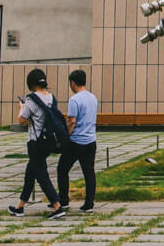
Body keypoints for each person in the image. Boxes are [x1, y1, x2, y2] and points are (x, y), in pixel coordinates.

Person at [8, 68, 63, 217]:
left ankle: (57, 206)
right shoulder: (51, 97)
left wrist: (21, 107)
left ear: (31, 83)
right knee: (30, 172)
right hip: (47, 141)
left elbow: (22, 119)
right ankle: (20, 207)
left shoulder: (32, 99)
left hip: (35, 141)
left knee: (41, 175)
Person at [55, 69, 98, 215]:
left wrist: (65, 136)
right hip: (91, 140)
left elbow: (71, 121)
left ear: (72, 83)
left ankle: (64, 200)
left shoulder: (74, 100)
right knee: (89, 173)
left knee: (62, 169)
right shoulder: (93, 98)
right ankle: (89, 203)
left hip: (76, 141)